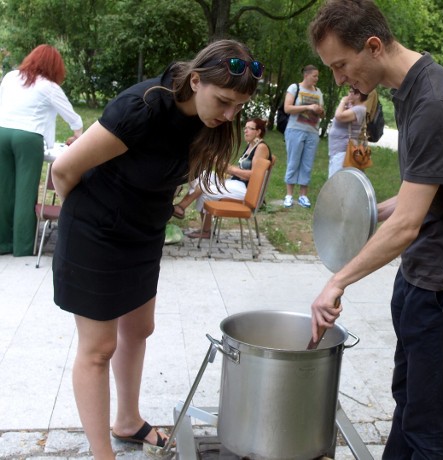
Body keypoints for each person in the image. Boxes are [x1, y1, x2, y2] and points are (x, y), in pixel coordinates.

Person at [51, 40, 262, 460]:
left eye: (238, 107)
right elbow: (64, 168)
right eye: (223, 101)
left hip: (143, 233)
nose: (228, 115)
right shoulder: (142, 108)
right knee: (98, 348)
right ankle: (101, 454)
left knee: (139, 329)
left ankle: (127, 420)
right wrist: (89, 220)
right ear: (195, 80)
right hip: (95, 233)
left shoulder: (211, 121)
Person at [308, 1, 443, 458]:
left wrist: (337, 282)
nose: (338, 80)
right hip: (422, 278)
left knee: (427, 424)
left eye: (341, 65)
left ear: (373, 47)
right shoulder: (410, 92)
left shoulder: (434, 101)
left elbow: (409, 224)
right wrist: (365, 212)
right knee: (409, 404)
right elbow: (418, 199)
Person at [0, 44, 83, 257]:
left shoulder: (10, 77)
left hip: (2, 133)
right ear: (54, 66)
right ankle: (22, 247)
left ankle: (3, 244)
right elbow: (73, 118)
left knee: (4, 191)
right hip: (28, 139)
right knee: (25, 194)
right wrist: (77, 136)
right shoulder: (49, 87)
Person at [172, 117, 272, 238]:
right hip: (237, 182)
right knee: (204, 176)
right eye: (245, 128)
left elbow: (254, 175)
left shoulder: (261, 147)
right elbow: (243, 170)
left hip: (247, 190)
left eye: (249, 129)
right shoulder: (251, 146)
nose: (245, 131)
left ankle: (187, 212)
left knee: (206, 188)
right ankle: (191, 216)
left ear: (258, 132)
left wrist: (226, 167)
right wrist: (227, 171)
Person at [283, 64, 324, 208]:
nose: (317, 79)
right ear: (306, 75)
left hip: (312, 132)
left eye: (317, 76)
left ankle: (303, 196)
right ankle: (289, 195)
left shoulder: (318, 92)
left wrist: (319, 110)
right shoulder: (295, 88)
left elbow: (323, 113)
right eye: (315, 76)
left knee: (307, 164)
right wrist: (307, 107)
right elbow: (287, 108)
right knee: (293, 162)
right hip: (295, 130)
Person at [327, 87, 367, 177]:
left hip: (344, 152)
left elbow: (339, 116)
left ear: (358, 95)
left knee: (337, 181)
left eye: (351, 92)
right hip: (338, 151)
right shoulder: (354, 108)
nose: (348, 95)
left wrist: (342, 101)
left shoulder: (360, 109)